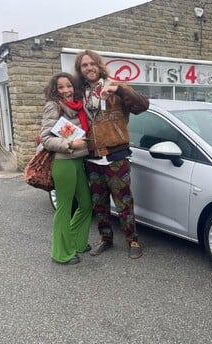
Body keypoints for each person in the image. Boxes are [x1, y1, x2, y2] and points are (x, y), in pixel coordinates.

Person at [73, 50, 149, 259]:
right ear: (80, 70)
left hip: (116, 157)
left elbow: (143, 105)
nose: (89, 68)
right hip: (92, 158)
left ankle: (132, 240)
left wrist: (118, 89)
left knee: (124, 202)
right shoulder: (80, 94)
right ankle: (105, 239)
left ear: (99, 65)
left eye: (92, 64)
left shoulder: (115, 88)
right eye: (84, 65)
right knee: (99, 203)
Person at [40, 72, 93, 265]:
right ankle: (61, 253)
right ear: (55, 90)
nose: (66, 90)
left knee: (87, 204)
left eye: (68, 86)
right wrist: (70, 145)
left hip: (79, 161)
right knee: (64, 209)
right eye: (61, 87)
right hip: (64, 162)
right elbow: (45, 139)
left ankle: (77, 243)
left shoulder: (79, 105)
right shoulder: (53, 106)